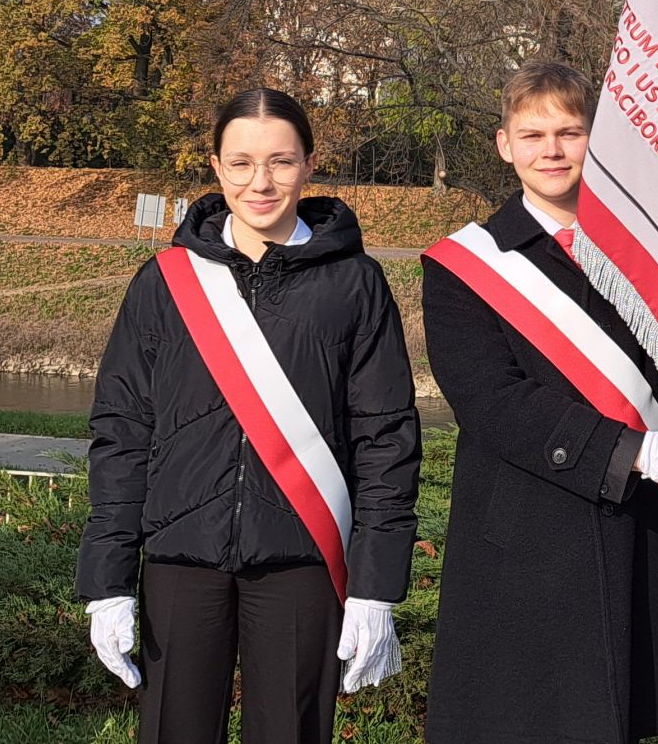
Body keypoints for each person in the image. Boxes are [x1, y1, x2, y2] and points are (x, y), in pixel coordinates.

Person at [75, 87, 422, 744]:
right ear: (215, 165)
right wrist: (108, 579)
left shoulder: (356, 284)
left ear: (310, 164)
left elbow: (386, 441)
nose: (260, 182)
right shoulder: (165, 281)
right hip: (181, 555)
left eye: (281, 162)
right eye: (241, 163)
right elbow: (121, 432)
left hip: (302, 560)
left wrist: (377, 587)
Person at [420, 61, 658, 744]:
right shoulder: (460, 267)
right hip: (521, 536)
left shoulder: (649, 256)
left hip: (631, 526)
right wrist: (639, 450)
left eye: (570, 132)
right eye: (533, 135)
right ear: (504, 145)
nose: (552, 150)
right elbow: (493, 403)